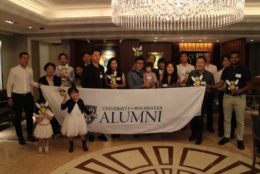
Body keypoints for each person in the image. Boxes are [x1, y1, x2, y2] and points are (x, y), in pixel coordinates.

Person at [210, 51, 252, 150]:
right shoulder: (226, 70)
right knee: (227, 119)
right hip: (227, 97)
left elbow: (250, 84)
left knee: (240, 120)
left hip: (240, 98)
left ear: (239, 58)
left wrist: (240, 90)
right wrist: (210, 86)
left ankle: (240, 139)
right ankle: (227, 136)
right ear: (230, 59)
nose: (234, 59)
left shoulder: (245, 70)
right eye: (232, 58)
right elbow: (221, 83)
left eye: (236, 57)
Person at [6, 52, 39, 145]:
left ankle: (29, 134)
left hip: (28, 96)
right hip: (17, 96)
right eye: (24, 58)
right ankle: (20, 136)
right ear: (20, 59)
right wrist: (9, 97)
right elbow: (9, 84)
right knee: (18, 118)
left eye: (27, 58)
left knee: (30, 117)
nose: (26, 60)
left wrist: (38, 85)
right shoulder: (13, 70)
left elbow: (31, 82)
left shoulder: (30, 70)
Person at [187, 56, 214, 145]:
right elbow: (188, 85)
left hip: (204, 100)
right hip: (192, 100)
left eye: (201, 62)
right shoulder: (192, 73)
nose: (199, 64)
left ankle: (199, 137)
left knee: (200, 118)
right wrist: (193, 87)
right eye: (197, 62)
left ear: (205, 64)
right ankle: (193, 134)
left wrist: (206, 88)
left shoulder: (210, 75)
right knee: (193, 117)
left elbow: (212, 88)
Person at [81, 48, 107, 142]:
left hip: (101, 95)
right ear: (92, 56)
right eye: (95, 55)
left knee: (100, 114)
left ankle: (100, 133)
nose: (97, 57)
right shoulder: (87, 68)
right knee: (91, 114)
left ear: (100, 57)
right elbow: (83, 82)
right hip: (91, 96)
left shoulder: (101, 68)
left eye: (98, 55)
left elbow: (103, 81)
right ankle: (91, 133)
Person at [61, 86, 90, 153]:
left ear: (78, 93)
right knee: (71, 133)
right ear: (70, 95)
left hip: (80, 118)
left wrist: (90, 113)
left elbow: (84, 108)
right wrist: (64, 100)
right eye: (72, 93)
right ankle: (71, 146)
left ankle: (84, 145)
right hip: (71, 119)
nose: (74, 94)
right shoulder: (69, 101)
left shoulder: (81, 101)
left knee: (82, 133)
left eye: (76, 92)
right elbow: (62, 108)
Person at [38, 62, 62, 139]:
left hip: (56, 100)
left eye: (52, 69)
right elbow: (40, 91)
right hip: (45, 101)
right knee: (48, 116)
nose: (50, 70)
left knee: (56, 115)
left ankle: (56, 131)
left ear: (54, 70)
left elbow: (60, 89)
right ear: (45, 70)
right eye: (48, 69)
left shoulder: (57, 79)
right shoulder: (41, 79)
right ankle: (49, 132)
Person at [216, 56, 236, 138]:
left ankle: (231, 132)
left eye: (228, 60)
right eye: (224, 60)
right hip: (223, 94)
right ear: (222, 63)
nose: (226, 62)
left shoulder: (235, 70)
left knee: (233, 114)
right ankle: (221, 131)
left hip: (234, 94)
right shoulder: (219, 72)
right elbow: (218, 85)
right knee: (222, 113)